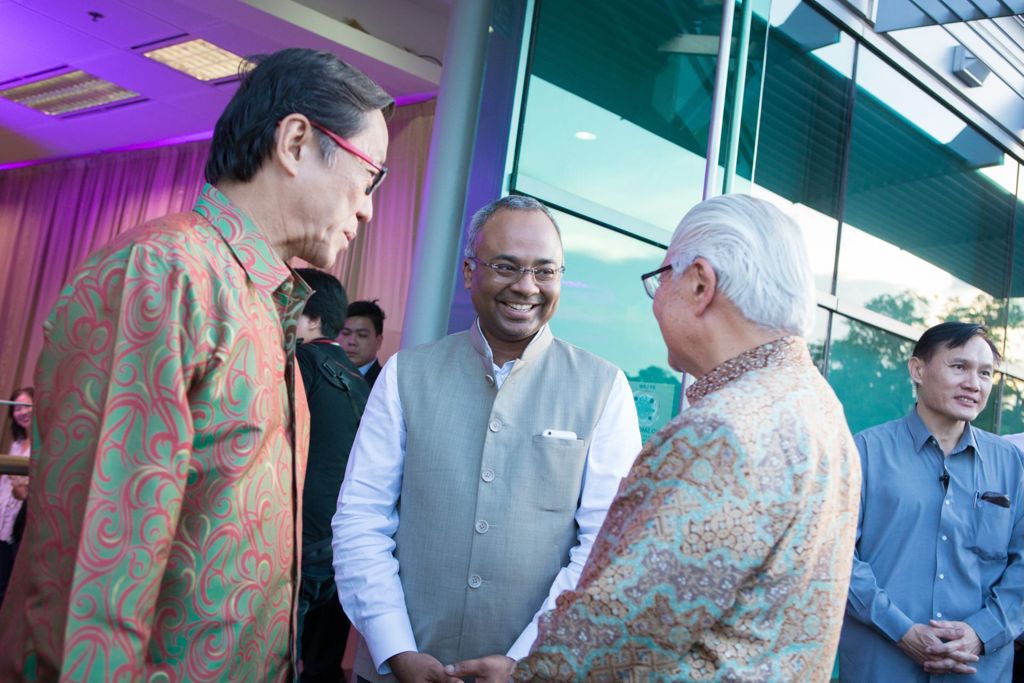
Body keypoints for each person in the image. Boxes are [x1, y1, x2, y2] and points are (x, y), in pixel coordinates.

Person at [0, 48, 393, 682]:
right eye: (369, 176)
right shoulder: (164, 276)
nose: (368, 208)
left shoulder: (265, 303)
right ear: (296, 141)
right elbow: (92, 591)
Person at [510, 194, 861, 681]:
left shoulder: (721, 433)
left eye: (661, 278)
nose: (656, 301)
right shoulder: (817, 405)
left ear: (699, 283)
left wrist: (522, 675)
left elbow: (614, 636)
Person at [332, 195, 642, 683]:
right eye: (506, 266)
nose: (526, 286)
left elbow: (605, 543)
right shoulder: (405, 373)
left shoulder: (604, 387)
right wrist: (395, 650)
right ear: (469, 272)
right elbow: (361, 517)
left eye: (545, 271)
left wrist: (525, 659)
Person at [839, 321, 1024, 682]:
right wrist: (901, 631)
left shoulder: (1011, 463)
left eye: (985, 373)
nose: (974, 383)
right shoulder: (864, 452)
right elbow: (838, 554)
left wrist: (981, 634)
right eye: (959, 367)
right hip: (882, 665)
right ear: (918, 369)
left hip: (978, 670)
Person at [294, 268, 371, 683]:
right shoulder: (359, 380)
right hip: (335, 542)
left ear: (307, 314)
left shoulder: (302, 360)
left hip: (298, 538)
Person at [0, 387, 32, 606]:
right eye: (16, 408)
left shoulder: (44, 445)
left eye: (26, 406)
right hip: (3, 520)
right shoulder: (16, 445)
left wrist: (23, 494)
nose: (21, 412)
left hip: (22, 525)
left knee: (9, 586)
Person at [342, 299, 386, 387]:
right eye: (346, 333)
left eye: (362, 335)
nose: (352, 341)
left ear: (378, 341)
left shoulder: (386, 384)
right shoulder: (323, 375)